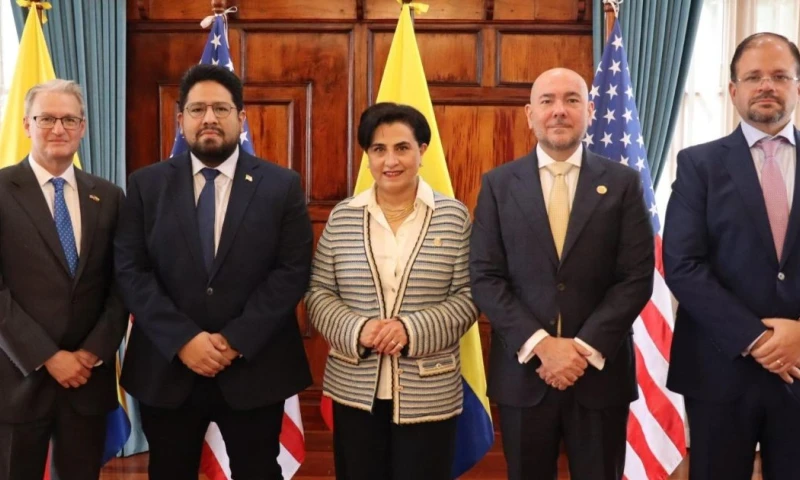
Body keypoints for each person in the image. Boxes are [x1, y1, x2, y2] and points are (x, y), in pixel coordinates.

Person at [115, 64, 313, 480]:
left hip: (254, 366)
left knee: (258, 471)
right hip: (167, 368)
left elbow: (291, 271)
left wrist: (235, 340)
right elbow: (132, 270)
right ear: (181, 118)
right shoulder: (146, 185)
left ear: (241, 118)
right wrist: (184, 340)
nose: (209, 118)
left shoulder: (281, 185)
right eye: (198, 108)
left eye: (221, 108)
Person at [469, 68, 654, 480]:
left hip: (599, 374)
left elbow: (636, 276)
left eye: (571, 100)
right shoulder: (499, 184)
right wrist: (542, 346)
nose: (559, 111)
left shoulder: (623, 183)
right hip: (524, 373)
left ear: (589, 111)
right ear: (529, 114)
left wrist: (581, 348)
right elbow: (485, 276)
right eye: (547, 101)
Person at [306, 102, 479, 480]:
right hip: (355, 388)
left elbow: (469, 296)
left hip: (429, 390)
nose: (391, 160)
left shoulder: (453, 216)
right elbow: (318, 293)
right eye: (378, 149)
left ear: (422, 151)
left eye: (402, 147)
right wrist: (359, 329)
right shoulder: (343, 215)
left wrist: (409, 329)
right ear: (367, 155)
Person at [664, 33, 800, 480]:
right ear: (733, 90)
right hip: (718, 369)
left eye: (780, 76)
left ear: (797, 86)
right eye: (754, 77)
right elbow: (682, 265)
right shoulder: (697, 165)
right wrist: (758, 339)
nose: (767, 86)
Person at [0, 79, 127, 480]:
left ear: (83, 127)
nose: (59, 129)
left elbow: (121, 285)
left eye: (70, 119)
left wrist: (90, 354)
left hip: (86, 382)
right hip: (18, 378)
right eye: (47, 118)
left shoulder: (108, 196)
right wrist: (48, 357)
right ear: (26, 124)